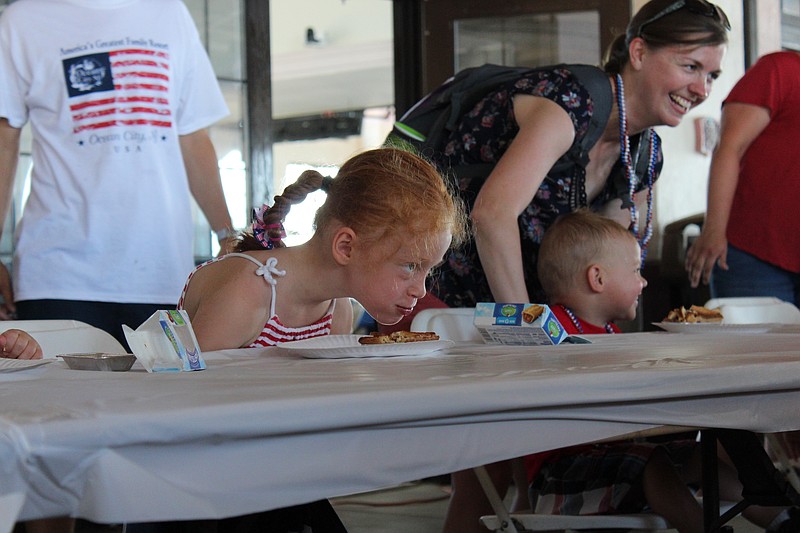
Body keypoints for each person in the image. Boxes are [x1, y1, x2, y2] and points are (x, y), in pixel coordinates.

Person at [434, 2, 731, 531]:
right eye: (690, 67)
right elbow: (492, 213)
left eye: (712, 75)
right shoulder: (569, 101)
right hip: (458, 281)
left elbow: (601, 265)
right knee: (488, 475)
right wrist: (527, 333)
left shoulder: (645, 154)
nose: (702, 89)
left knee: (509, 473)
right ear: (638, 53)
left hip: (524, 297)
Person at [130, 147, 466, 533]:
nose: (419, 290)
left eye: (427, 270)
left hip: (272, 481)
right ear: (346, 246)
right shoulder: (250, 294)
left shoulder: (337, 309)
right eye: (410, 266)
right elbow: (173, 409)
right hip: (195, 492)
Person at [524, 209, 800, 533]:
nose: (643, 281)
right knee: (652, 464)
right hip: (562, 480)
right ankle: (706, 528)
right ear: (597, 278)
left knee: (699, 455)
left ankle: (786, 519)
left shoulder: (607, 334)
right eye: (635, 270)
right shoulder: (552, 332)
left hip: (616, 461)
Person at [0, 0, 235, 348]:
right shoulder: (24, 19)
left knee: (166, 402)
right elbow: (5, 142)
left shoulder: (169, 12)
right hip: (57, 273)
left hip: (163, 273)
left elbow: (193, 136)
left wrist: (227, 234)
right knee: (57, 401)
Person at [685, 50, 800, 304]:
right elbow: (729, 148)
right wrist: (713, 230)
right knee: (752, 344)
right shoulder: (780, 69)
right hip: (752, 253)